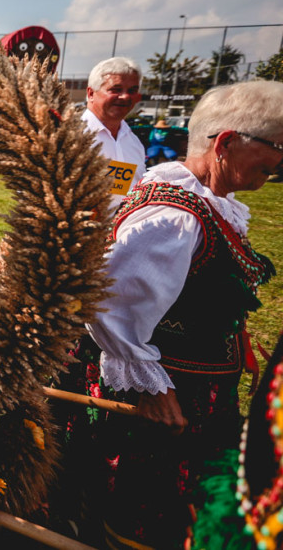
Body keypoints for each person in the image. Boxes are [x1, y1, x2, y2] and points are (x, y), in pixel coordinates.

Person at [84, 80, 281, 548]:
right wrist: (149, 385)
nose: (276, 167)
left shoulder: (207, 201)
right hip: (170, 397)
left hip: (199, 387)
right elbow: (109, 301)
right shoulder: (174, 217)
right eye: (275, 149)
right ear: (227, 143)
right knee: (146, 504)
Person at [82, 57, 146, 208]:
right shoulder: (71, 136)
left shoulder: (133, 142)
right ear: (91, 93)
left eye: (132, 91)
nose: (125, 97)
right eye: (115, 90)